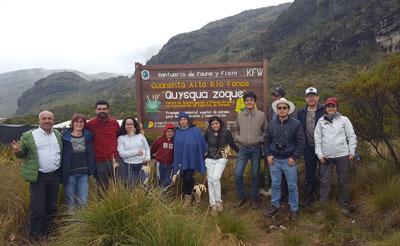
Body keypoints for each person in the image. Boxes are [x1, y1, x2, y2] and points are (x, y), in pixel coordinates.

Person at [11, 111, 62, 240]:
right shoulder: (29, 135)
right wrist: (17, 151)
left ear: (53, 120)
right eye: (44, 118)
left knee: (51, 206)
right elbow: (22, 154)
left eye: (50, 118)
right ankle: (35, 237)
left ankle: (49, 233)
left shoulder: (57, 134)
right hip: (38, 177)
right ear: (39, 121)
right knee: (37, 208)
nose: (47, 121)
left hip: (55, 176)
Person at [314, 97, 357, 215]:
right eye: (328, 106)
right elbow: (317, 140)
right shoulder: (321, 121)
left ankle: (345, 205)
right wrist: (320, 155)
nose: (331, 108)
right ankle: (322, 207)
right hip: (326, 157)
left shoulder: (344, 120)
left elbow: (351, 136)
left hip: (342, 155)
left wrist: (351, 152)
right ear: (325, 108)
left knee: (343, 181)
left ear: (337, 107)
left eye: (333, 106)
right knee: (324, 182)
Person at [264, 98, 305, 220]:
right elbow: (266, 141)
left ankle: (293, 209)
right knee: (275, 184)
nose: (282, 110)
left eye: (284, 108)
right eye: (279, 108)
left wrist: (294, 156)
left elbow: (301, 141)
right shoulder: (271, 124)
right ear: (277, 110)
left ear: (288, 110)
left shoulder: (296, 124)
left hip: (289, 160)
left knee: (292, 185)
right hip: (275, 160)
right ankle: (275, 206)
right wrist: (268, 155)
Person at [234, 91, 267, 209]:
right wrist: (238, 138)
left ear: (254, 102)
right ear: (244, 102)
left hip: (256, 149)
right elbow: (236, 130)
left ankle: (254, 198)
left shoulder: (261, 115)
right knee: (237, 173)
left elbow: (266, 131)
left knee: (255, 174)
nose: (249, 102)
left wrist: (260, 139)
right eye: (247, 100)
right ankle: (242, 197)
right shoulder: (240, 115)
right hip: (243, 149)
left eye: (251, 100)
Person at [204, 116, 239, 214]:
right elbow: (204, 144)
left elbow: (232, 144)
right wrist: (202, 156)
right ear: (210, 125)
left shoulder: (226, 132)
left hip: (221, 158)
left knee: (215, 178)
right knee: (210, 180)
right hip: (209, 158)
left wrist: (240, 152)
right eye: (213, 124)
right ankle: (213, 204)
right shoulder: (208, 132)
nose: (215, 125)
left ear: (220, 123)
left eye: (216, 123)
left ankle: (219, 202)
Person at [61, 113, 95, 212]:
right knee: (70, 200)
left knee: (83, 201)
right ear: (73, 123)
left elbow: (91, 154)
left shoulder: (88, 137)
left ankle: (81, 224)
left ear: (84, 124)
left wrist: (91, 170)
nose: (79, 124)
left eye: (81, 122)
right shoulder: (65, 138)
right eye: (76, 121)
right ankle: (72, 224)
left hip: (83, 174)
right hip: (69, 174)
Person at [297, 87, 325, 206]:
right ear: (306, 98)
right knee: (310, 172)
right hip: (308, 147)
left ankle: (323, 197)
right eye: (309, 96)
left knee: (324, 172)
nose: (311, 98)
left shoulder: (324, 110)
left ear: (318, 97)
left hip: (323, 147)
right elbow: (298, 129)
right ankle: (310, 196)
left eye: (313, 96)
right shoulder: (301, 112)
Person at [172, 112, 206, 207]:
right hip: (181, 160)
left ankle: (188, 197)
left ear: (188, 120)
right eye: (181, 120)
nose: (183, 121)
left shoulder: (195, 130)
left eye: (185, 119)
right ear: (178, 121)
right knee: (185, 179)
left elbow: (201, 143)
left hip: (192, 159)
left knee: (187, 177)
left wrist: (202, 154)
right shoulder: (176, 132)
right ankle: (195, 192)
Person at [86, 100, 121, 190]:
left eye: (104, 109)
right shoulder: (90, 124)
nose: (102, 111)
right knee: (102, 189)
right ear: (96, 110)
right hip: (99, 161)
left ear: (108, 110)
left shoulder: (114, 123)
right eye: (99, 109)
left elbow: (119, 138)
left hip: (115, 160)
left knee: (120, 185)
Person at [118, 117, 151, 187]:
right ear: (124, 126)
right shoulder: (121, 138)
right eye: (127, 124)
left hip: (142, 165)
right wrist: (136, 152)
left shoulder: (140, 136)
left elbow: (147, 148)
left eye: (131, 124)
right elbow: (121, 154)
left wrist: (147, 157)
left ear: (134, 125)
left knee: (144, 185)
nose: (129, 126)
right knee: (131, 187)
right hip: (128, 166)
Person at [150, 123, 175, 189]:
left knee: (168, 181)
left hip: (169, 164)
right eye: (168, 131)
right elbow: (153, 148)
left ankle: (163, 191)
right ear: (165, 131)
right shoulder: (160, 140)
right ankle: (160, 195)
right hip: (160, 163)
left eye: (171, 131)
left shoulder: (174, 141)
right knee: (160, 179)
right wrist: (149, 155)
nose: (170, 133)